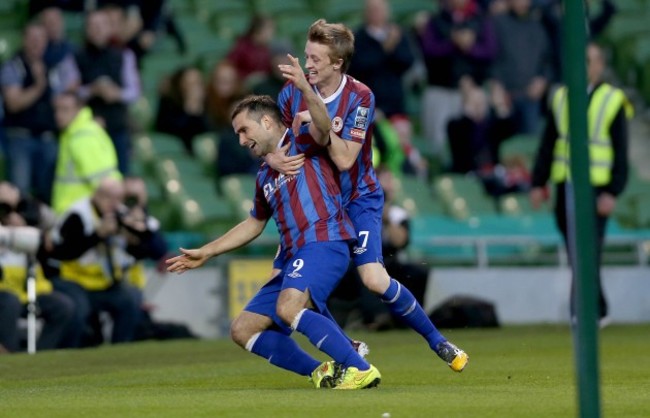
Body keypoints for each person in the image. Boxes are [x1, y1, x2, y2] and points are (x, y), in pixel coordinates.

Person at [268, 19, 468, 372]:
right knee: (300, 288)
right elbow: (282, 146)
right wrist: (273, 155)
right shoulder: (289, 94)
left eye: (316, 59)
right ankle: (349, 347)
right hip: (320, 203)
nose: (308, 64)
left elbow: (345, 159)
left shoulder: (360, 96)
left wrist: (318, 121)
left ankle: (439, 341)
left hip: (358, 198)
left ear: (337, 63)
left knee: (374, 279)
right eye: (307, 56)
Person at [167, 90, 381, 389]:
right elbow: (254, 223)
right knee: (243, 330)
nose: (241, 140)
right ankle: (323, 372)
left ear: (267, 121)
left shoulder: (305, 140)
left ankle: (359, 367)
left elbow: (324, 125)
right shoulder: (265, 174)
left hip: (325, 241)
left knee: (289, 307)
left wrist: (305, 86)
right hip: (293, 255)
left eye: (244, 130)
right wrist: (207, 251)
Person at [529, 42, 632, 326]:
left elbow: (621, 151)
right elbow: (548, 142)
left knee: (587, 250)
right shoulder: (561, 96)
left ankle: (583, 312)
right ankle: (597, 309)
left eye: (588, 60)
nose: (583, 65)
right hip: (565, 186)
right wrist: (538, 182)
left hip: (596, 188)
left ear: (599, 65)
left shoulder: (613, 99)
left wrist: (613, 190)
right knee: (576, 249)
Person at [45, 178, 141, 347]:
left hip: (100, 282)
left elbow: (147, 247)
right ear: (97, 196)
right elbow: (65, 252)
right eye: (109, 198)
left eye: (119, 199)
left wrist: (136, 233)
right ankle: (68, 353)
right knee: (77, 308)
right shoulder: (77, 214)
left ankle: (121, 351)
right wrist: (98, 235)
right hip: (69, 279)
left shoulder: (120, 213)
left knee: (131, 299)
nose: (115, 204)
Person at [0, 181, 74, 353]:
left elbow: (51, 229)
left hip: (27, 292)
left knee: (63, 306)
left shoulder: (27, 220)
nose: (8, 213)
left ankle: (41, 355)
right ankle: (9, 355)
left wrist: (23, 218)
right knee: (10, 302)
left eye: (14, 207)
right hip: (4, 295)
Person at [76, 9, 142, 175]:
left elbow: (134, 91)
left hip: (117, 128)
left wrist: (116, 93)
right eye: (93, 26)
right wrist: (92, 90)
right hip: (87, 130)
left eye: (102, 25)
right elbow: (68, 91)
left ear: (110, 28)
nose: (97, 30)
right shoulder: (76, 57)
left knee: (120, 177)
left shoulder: (124, 55)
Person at [0, 22, 59, 204]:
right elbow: (14, 104)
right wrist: (39, 85)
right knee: (19, 193)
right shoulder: (13, 67)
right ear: (24, 40)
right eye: (32, 39)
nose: (36, 44)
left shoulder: (53, 67)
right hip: (20, 138)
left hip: (47, 138)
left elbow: (61, 101)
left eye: (40, 39)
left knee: (48, 192)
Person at [51, 91, 121, 216]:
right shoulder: (73, 133)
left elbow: (105, 184)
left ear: (79, 109)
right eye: (57, 109)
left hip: (81, 216)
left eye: (65, 109)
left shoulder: (83, 137)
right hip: (75, 213)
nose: (58, 115)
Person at [154, 66, 209, 155]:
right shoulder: (168, 103)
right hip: (174, 153)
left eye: (198, 83)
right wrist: (189, 111)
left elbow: (210, 133)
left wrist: (199, 112)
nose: (195, 88)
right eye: (190, 83)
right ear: (180, 84)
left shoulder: (209, 104)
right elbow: (166, 132)